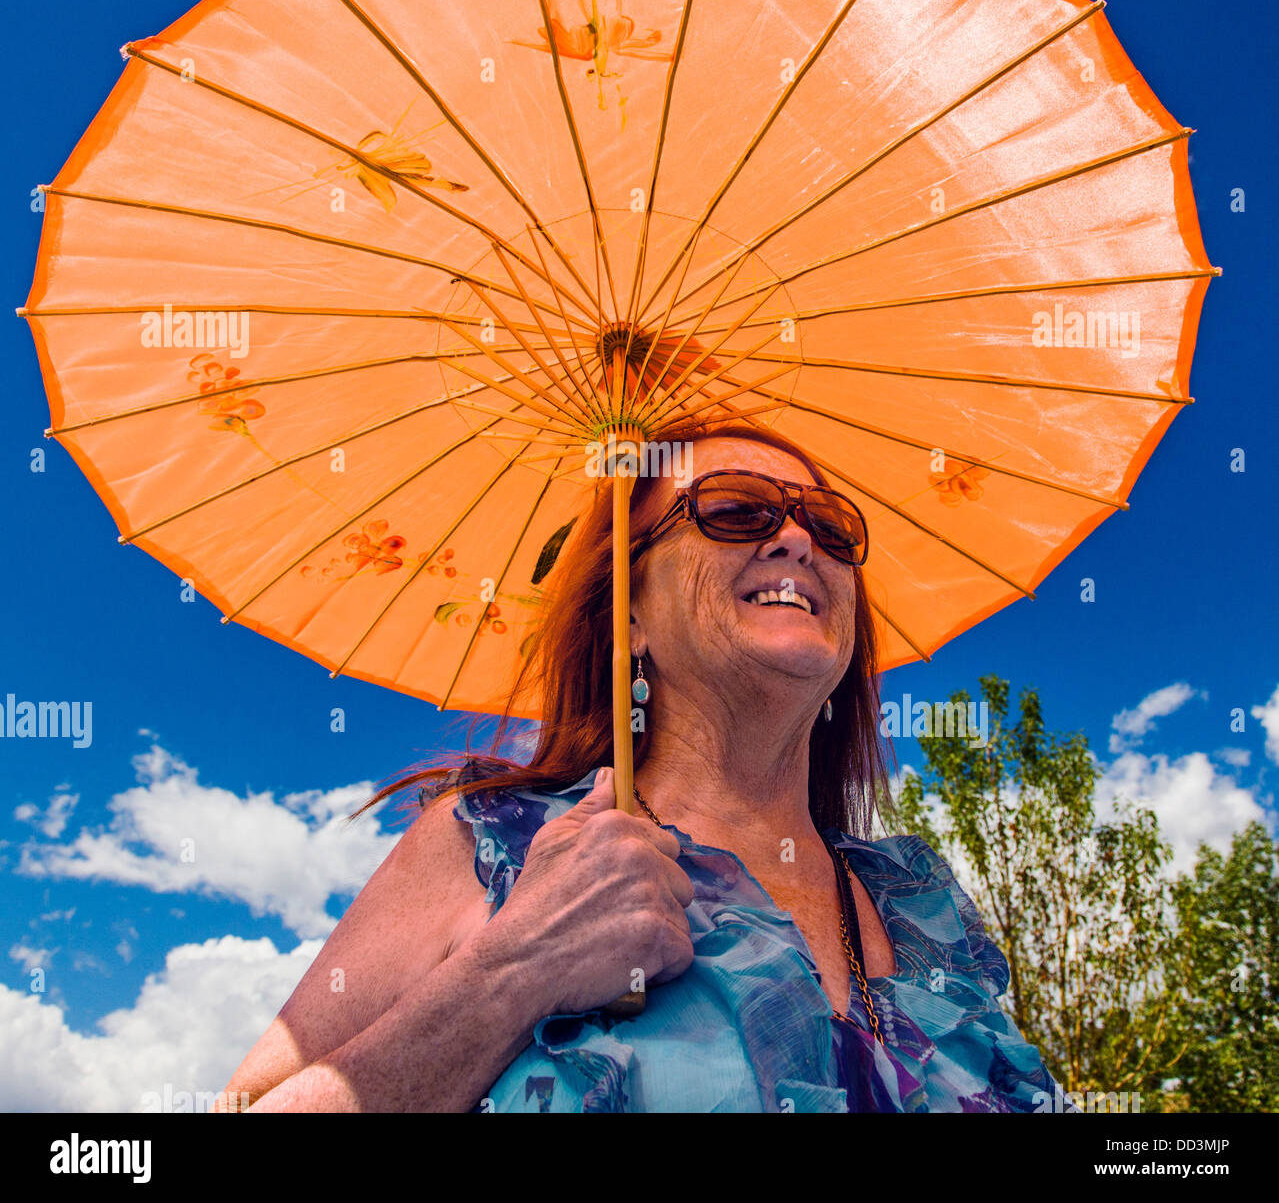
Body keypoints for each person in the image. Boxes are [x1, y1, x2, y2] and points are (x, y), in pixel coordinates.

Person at [220, 419, 1065, 1112]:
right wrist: (511, 972)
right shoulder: (491, 844)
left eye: (831, 524)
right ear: (629, 617)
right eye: (736, 509)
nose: (799, 538)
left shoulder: (919, 899)